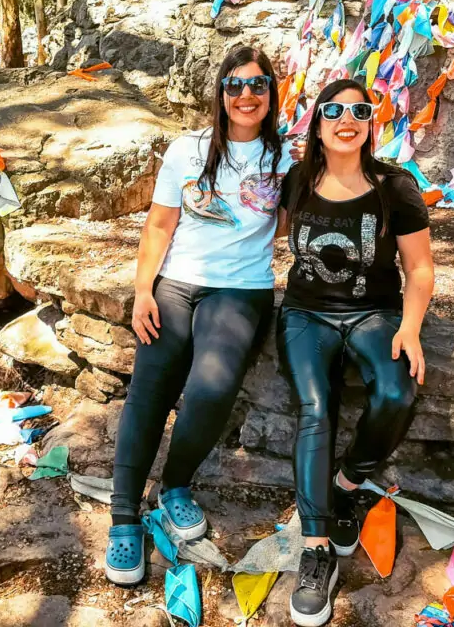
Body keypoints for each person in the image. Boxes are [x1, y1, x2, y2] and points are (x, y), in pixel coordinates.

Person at [105, 46, 294, 586]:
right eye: (235, 85)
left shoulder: (283, 157)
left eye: (257, 85)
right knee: (150, 389)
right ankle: (123, 517)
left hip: (241, 289)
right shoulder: (186, 150)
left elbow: (286, 225)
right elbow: (159, 225)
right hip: (176, 283)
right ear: (220, 92)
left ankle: (174, 486)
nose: (246, 95)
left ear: (271, 93)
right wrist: (143, 291)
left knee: (213, 389)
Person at [275, 79, 434, 626]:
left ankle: (345, 486)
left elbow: (419, 267)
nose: (347, 120)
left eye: (359, 111)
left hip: (375, 314)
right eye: (334, 111)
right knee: (316, 408)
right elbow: (257, 229)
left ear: (371, 123)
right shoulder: (298, 180)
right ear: (317, 123)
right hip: (306, 313)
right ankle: (316, 549)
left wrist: (410, 328)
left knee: (396, 392)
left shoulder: (394, 186)